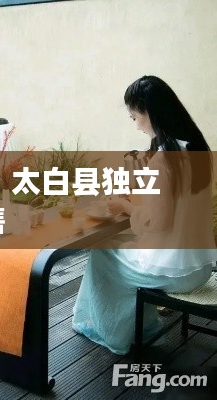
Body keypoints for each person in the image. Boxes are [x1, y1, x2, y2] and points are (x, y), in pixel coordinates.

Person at [72, 75, 216, 355]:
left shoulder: (164, 160)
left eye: (135, 117)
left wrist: (125, 207)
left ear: (150, 113)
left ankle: (110, 331)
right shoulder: (195, 149)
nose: (136, 124)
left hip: (176, 273)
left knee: (102, 252)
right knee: (123, 247)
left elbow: (159, 224)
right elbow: (177, 212)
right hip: (200, 267)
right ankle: (141, 327)